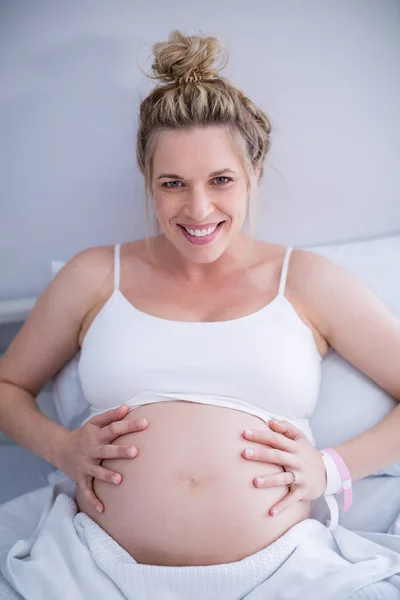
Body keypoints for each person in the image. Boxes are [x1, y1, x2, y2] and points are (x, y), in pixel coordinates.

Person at [1, 31, 400, 591]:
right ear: (149, 182)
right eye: (173, 184)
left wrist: (332, 468)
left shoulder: (306, 281)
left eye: (221, 181)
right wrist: (60, 448)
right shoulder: (94, 276)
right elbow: (8, 384)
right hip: (93, 567)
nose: (198, 209)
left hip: (285, 572)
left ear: (254, 174)